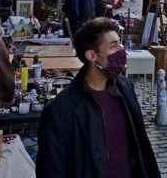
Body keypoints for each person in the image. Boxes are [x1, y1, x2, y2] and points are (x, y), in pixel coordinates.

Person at [37, 19, 160, 178]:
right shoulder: (59, 111)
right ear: (92, 55)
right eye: (113, 45)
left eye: (120, 44)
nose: (122, 50)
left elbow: (139, 147)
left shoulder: (125, 88)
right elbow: (51, 170)